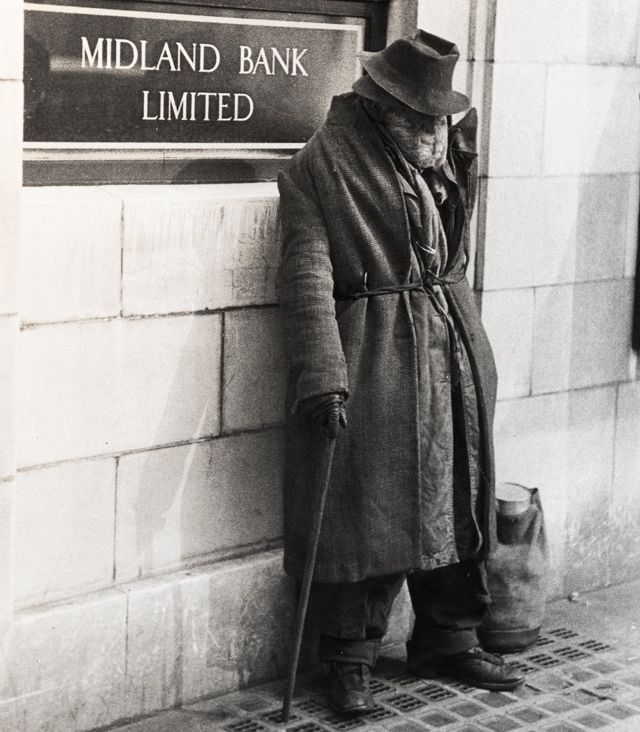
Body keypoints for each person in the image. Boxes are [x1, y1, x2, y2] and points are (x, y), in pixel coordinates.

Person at [277, 30, 524, 716]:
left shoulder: (447, 154)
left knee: (459, 490)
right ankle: (348, 658)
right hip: (377, 356)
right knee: (371, 511)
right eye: (423, 117)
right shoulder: (321, 166)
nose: (436, 130)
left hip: (451, 349)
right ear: (386, 109)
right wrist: (323, 375)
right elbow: (305, 276)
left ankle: (449, 634)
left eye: (441, 117)